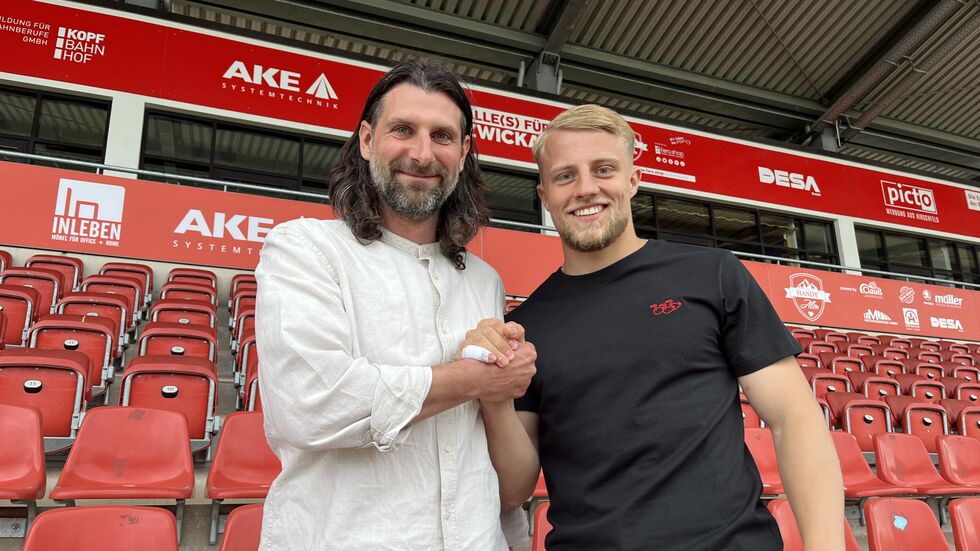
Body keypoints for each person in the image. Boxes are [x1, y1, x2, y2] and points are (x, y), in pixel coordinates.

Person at [466, 104, 845, 550]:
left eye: (603, 169)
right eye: (565, 176)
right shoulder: (528, 325)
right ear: (544, 195)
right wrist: (492, 397)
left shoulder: (713, 275)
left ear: (633, 180)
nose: (586, 188)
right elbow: (515, 489)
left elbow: (793, 419)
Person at [254, 59, 534, 550]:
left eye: (443, 136)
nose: (422, 153)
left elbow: (488, 450)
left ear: (464, 153)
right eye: (403, 129)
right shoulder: (304, 248)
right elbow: (311, 404)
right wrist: (471, 378)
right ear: (366, 140)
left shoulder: (485, 281)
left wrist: (501, 381)